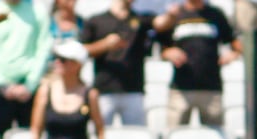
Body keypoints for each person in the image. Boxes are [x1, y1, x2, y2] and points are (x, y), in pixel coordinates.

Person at [153, 0, 241, 130]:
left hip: (211, 88)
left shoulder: (215, 14)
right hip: (181, 88)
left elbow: (234, 41)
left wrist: (234, 54)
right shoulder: (176, 14)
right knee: (174, 134)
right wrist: (169, 52)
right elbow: (161, 48)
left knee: (215, 138)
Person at [0, 0, 54, 135]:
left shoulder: (38, 12)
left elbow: (44, 48)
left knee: (31, 138)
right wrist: (2, 85)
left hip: (29, 90)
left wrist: (30, 85)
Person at [27, 39, 105, 139]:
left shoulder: (90, 94)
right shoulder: (45, 91)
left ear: (77, 64)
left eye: (63, 60)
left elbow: (100, 132)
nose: (57, 63)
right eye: (56, 59)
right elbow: (36, 131)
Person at [80, 0, 158, 126]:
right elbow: (82, 51)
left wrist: (172, 13)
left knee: (137, 138)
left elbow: (162, 23)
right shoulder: (96, 20)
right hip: (104, 90)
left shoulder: (141, 19)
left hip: (134, 90)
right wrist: (105, 45)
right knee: (101, 135)